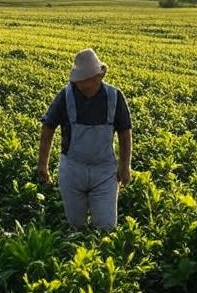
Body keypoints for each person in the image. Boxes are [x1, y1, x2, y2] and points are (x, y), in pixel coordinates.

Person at [37, 48, 132, 230]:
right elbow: (48, 127)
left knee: (106, 227)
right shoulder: (66, 96)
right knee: (76, 226)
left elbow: (125, 132)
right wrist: (43, 164)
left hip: (104, 171)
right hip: (72, 169)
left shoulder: (114, 96)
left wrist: (124, 165)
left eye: (86, 80)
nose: (81, 84)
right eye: (79, 80)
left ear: (98, 77)